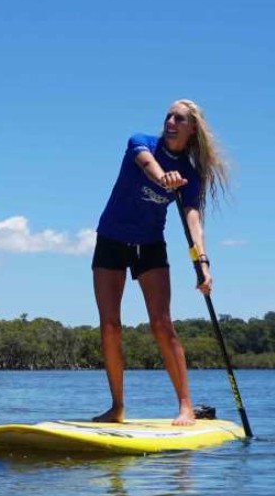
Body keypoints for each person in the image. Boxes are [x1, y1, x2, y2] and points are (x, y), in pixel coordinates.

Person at [90, 99, 233, 425]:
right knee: (110, 326)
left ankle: (185, 406)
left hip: (150, 245)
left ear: (191, 128)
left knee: (161, 324)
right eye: (168, 116)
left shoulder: (190, 174)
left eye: (179, 119)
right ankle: (117, 407)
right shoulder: (140, 142)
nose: (170, 122)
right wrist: (163, 178)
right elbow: (147, 166)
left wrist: (203, 263)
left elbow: (193, 218)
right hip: (111, 238)